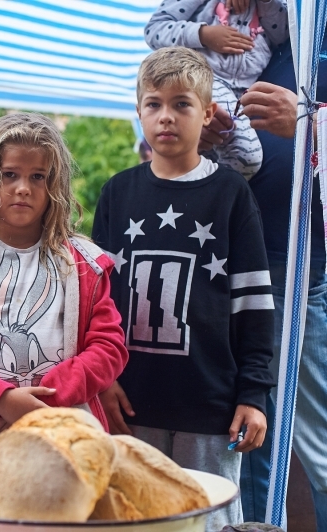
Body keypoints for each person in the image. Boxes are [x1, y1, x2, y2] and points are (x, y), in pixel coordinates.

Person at [92, 47, 275, 530]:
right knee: (133, 518)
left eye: (182, 104)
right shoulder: (117, 193)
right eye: (153, 104)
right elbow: (96, 301)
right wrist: (102, 379)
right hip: (131, 404)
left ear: (208, 113)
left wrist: (254, 394)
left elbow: (255, 304)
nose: (166, 117)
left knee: (207, 522)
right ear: (138, 112)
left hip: (211, 409)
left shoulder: (232, 193)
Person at [0, 112, 128, 435]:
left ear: (55, 183)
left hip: (68, 427)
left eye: (38, 177)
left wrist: (43, 401)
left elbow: (109, 346)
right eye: (9, 174)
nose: (23, 188)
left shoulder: (84, 264)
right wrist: (1, 398)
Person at [201, 39, 327, 529]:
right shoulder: (264, 36)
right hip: (234, 258)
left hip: (297, 265)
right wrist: (209, 134)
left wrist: (307, 120)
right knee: (251, 422)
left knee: (301, 434)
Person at [144, 0, 289, 180]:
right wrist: (203, 34)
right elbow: (154, 30)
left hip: (244, 92)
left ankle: (196, 198)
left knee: (213, 155)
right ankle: (210, 196)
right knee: (247, 156)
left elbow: (284, 36)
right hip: (204, 80)